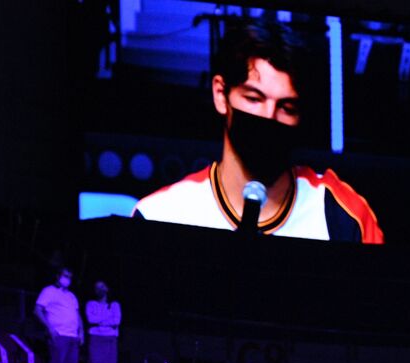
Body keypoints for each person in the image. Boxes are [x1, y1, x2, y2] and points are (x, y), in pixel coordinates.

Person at [132, 20, 383, 243]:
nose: (268, 117)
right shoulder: (160, 215)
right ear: (221, 95)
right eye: (254, 99)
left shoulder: (343, 214)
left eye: (286, 107)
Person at [35, 269, 83, 363]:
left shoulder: (72, 296)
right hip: (59, 334)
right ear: (58, 276)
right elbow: (37, 310)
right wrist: (49, 328)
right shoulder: (49, 290)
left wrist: (81, 331)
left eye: (69, 277)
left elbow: (77, 315)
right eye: (65, 276)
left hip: (73, 337)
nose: (67, 279)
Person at [84, 281, 121, 363]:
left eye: (102, 286)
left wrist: (99, 321)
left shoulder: (114, 304)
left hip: (110, 339)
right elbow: (91, 320)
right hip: (96, 339)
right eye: (97, 287)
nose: (99, 289)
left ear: (107, 289)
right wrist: (108, 316)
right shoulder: (90, 304)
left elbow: (116, 321)